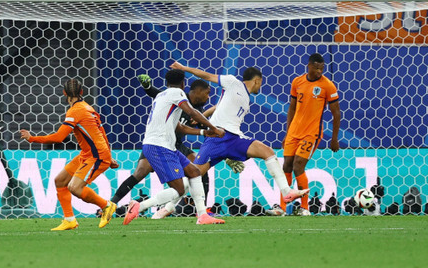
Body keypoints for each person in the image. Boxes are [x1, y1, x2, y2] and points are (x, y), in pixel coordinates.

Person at [168, 61, 310, 215]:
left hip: (233, 139)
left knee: (267, 152)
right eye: (260, 83)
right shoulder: (233, 83)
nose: (260, 87)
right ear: (257, 80)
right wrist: (184, 68)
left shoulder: (245, 98)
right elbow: (207, 75)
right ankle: (165, 208)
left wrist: (204, 115)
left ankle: (286, 191)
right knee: (194, 175)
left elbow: (220, 106)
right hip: (217, 138)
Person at [109, 74, 244, 219]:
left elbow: (197, 131)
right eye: (207, 93)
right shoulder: (178, 96)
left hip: (174, 145)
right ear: (193, 89)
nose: (208, 97)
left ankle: (201, 211)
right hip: (160, 144)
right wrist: (147, 87)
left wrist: (223, 153)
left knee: (197, 170)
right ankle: (114, 205)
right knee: (141, 174)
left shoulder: (191, 107)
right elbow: (164, 97)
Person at [19, 78, 117, 230]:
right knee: (60, 181)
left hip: (96, 155)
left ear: (64, 93)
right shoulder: (88, 107)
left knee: (75, 188)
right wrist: (109, 156)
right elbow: (101, 132)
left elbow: (59, 137)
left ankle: (106, 205)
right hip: (90, 153)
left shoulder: (75, 111)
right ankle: (69, 219)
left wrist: (32, 138)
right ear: (82, 92)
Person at [266, 53, 341, 216]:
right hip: (294, 131)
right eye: (316, 67)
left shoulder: (328, 86)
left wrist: (334, 138)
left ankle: (304, 207)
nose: (319, 71)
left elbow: (336, 113)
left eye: (322, 68)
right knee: (286, 165)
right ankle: (282, 208)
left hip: (311, 133)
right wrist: (288, 132)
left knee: (298, 165)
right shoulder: (297, 82)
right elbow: (292, 108)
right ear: (309, 66)